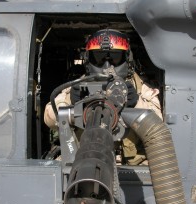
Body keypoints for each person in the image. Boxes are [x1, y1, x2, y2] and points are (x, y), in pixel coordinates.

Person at [44, 29, 162, 165]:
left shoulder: (140, 88)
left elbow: (158, 125)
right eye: (99, 57)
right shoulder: (78, 86)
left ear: (127, 59)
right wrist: (71, 101)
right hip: (86, 158)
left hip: (132, 165)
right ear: (89, 60)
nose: (108, 66)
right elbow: (50, 119)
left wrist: (137, 103)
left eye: (115, 57)